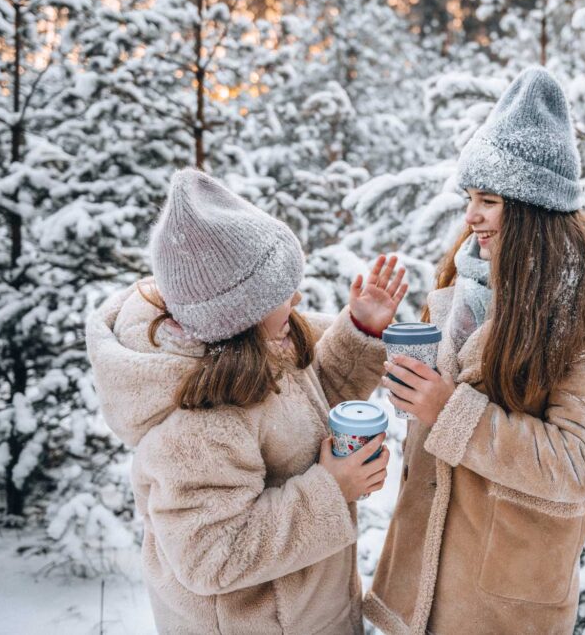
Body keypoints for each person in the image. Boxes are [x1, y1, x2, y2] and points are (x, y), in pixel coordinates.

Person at [364, 67, 585, 634]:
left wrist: (448, 411)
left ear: (534, 211)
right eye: (470, 198)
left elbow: (577, 463)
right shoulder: (464, 283)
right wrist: (411, 395)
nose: (470, 217)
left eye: (488, 200)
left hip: (503, 600)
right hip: (424, 575)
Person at [86, 168, 407, 634]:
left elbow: (309, 405)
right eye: (280, 292)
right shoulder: (198, 420)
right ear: (236, 312)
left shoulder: (260, 344)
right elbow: (211, 557)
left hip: (309, 613)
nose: (296, 298)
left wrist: (360, 330)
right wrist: (332, 490)